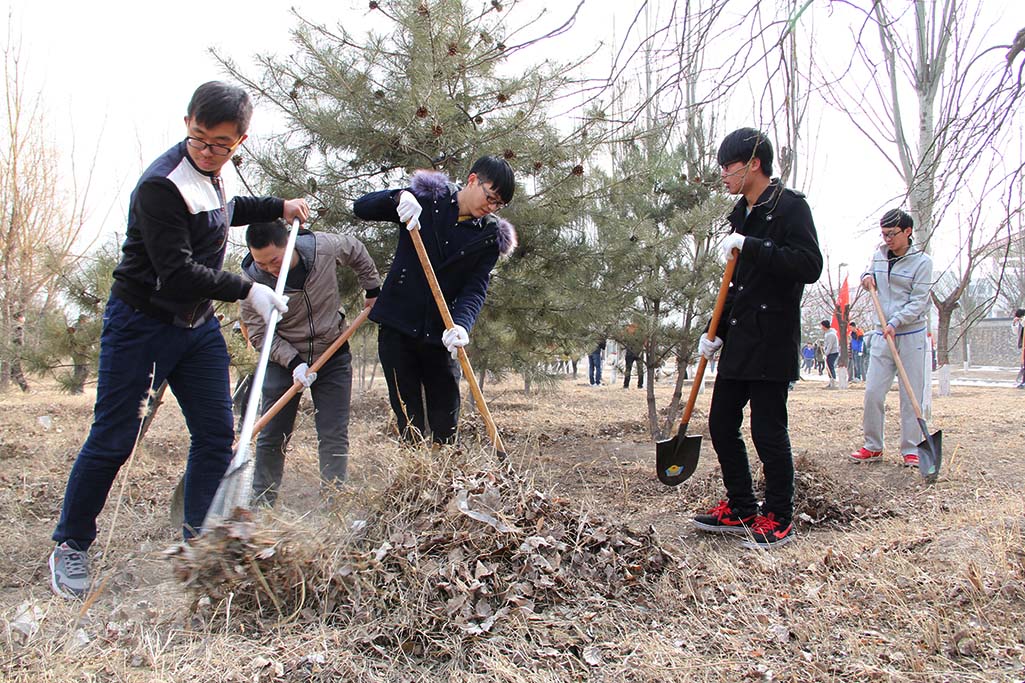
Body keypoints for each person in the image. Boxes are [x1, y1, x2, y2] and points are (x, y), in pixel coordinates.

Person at [48, 82, 310, 599]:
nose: (209, 152)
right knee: (114, 439)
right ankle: (70, 544)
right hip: (141, 323)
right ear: (187, 123)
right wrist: (247, 290)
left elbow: (224, 210)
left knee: (217, 436)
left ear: (241, 140)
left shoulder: (214, 172)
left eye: (223, 145)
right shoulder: (160, 185)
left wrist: (281, 206)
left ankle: (202, 545)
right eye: (199, 139)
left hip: (195, 328)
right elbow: (177, 271)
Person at [691, 128, 822, 548]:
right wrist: (715, 332)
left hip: (772, 338)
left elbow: (808, 265)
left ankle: (779, 516)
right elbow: (737, 285)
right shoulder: (740, 214)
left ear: (754, 165)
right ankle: (742, 505)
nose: (724, 176)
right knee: (721, 423)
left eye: (729, 167)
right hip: (741, 338)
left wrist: (753, 245)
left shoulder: (789, 208)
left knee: (767, 430)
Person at [353, 156, 517, 445]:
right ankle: (414, 478)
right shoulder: (429, 198)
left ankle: (445, 479)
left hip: (440, 335)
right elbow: (361, 207)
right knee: (408, 418)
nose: (490, 207)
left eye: (498, 205)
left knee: (446, 419)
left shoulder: (489, 235)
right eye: (489, 197)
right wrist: (398, 197)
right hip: (398, 325)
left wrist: (462, 326)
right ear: (472, 180)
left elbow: (475, 288)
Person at [239, 220, 381, 506]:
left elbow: (355, 249)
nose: (270, 268)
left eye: (275, 260)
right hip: (284, 360)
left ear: (289, 243)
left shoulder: (323, 248)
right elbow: (257, 332)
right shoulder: (250, 283)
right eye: (261, 263)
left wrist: (373, 290)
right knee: (272, 434)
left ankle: (334, 504)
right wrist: (293, 363)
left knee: (333, 433)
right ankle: (261, 505)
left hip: (332, 351)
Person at [851, 208, 933, 467]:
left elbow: (919, 301)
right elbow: (868, 273)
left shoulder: (922, 263)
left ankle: (911, 449)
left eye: (892, 234)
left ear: (908, 232)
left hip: (910, 335)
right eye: (884, 234)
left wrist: (896, 322)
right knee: (873, 392)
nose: (887, 239)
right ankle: (873, 446)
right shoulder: (879, 255)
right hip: (880, 334)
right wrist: (865, 278)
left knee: (911, 396)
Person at [821, 320, 839, 388]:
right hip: (830, 352)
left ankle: (833, 382)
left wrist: (826, 354)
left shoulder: (831, 334)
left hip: (833, 353)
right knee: (828, 367)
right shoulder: (827, 333)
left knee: (830, 367)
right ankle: (830, 382)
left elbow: (830, 346)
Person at [1013, 308, 1025, 388]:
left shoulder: (1023, 321)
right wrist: (1014, 323)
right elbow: (1016, 331)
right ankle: (1023, 381)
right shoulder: (1021, 323)